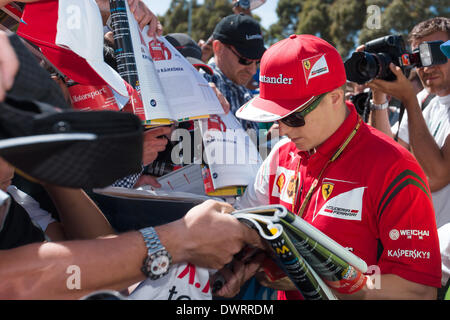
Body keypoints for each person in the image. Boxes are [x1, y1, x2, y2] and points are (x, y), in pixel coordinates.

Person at [0, 30, 264, 299]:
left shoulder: (19, 197)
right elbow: (30, 279)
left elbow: (91, 263)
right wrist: (180, 240)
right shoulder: (22, 184)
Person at [229, 34, 441, 300]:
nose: (282, 129)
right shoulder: (280, 155)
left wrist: (321, 280)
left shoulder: (394, 167)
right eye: (275, 117)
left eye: (293, 117)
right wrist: (244, 267)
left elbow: (419, 291)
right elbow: (246, 230)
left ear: (334, 98)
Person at [368, 17, 450, 231]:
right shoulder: (423, 100)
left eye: (435, 53)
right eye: (418, 58)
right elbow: (384, 154)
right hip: (424, 242)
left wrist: (408, 100)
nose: (427, 66)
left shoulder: (415, 101)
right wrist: (379, 95)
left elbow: (437, 176)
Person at [202, 13, 265, 132]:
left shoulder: (242, 89)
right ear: (218, 48)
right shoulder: (203, 83)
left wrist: (267, 139)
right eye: (245, 59)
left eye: (257, 61)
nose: (252, 71)